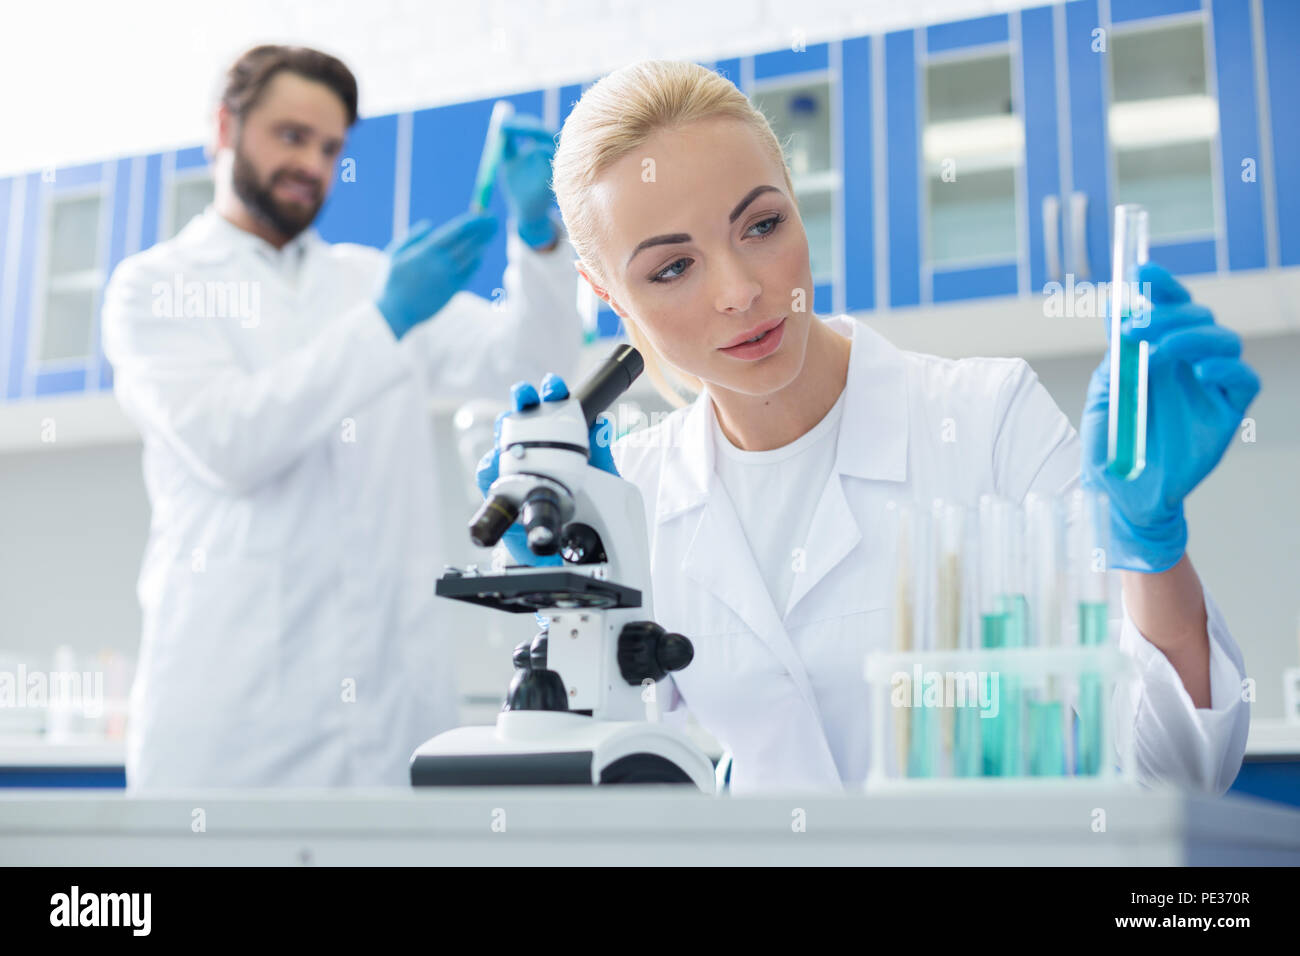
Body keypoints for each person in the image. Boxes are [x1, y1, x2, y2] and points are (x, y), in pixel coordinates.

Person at [483, 60, 1259, 795]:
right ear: (606, 291)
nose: (743, 290)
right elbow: (616, 777)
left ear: (795, 199)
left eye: (761, 225)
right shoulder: (635, 497)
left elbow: (1178, 772)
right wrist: (577, 607)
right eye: (672, 268)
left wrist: (1148, 541)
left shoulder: (986, 421)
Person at [102, 45, 582, 789]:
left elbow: (530, 367)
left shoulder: (370, 277)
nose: (313, 165)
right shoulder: (155, 288)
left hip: (391, 710)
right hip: (232, 728)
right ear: (225, 127)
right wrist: (387, 319)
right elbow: (232, 443)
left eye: (330, 148)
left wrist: (540, 237)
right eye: (291, 136)